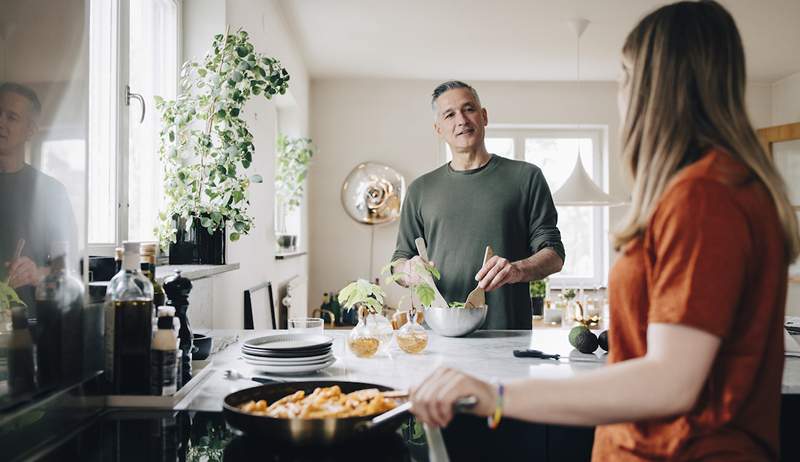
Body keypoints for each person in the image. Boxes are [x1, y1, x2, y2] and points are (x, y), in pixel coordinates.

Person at [409, 2, 798, 460]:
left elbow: (669, 382)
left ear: (661, 85)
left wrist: (497, 396)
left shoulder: (705, 197)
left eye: (626, 77)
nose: (622, 92)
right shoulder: (713, 187)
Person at [390, 81, 565, 329]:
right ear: (438, 128)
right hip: (441, 337)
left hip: (508, 336)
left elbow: (555, 255)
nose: (461, 120)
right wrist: (409, 271)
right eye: (449, 114)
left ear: (483, 116)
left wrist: (517, 269)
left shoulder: (526, 178)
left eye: (468, 109)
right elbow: (399, 260)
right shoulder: (420, 189)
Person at [0, 82, 77, 309]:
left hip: (30, 326)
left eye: (11, 117)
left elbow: (68, 266)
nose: (0, 122)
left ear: (31, 130)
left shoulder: (52, 193)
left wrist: (36, 273)